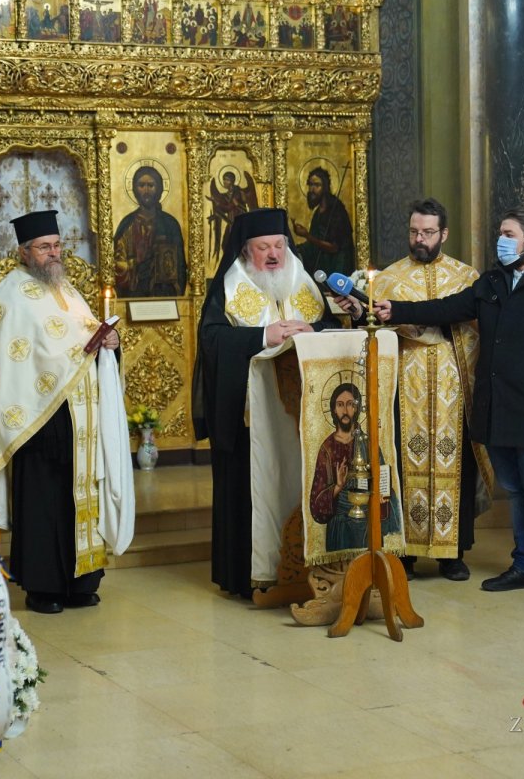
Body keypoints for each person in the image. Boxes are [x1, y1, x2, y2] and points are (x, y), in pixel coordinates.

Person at [375, 207, 524, 599]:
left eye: (508, 234)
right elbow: (446, 308)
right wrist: (396, 310)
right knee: (516, 492)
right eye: (500, 234)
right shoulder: (492, 282)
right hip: (497, 407)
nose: (500, 241)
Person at [0, 210, 125, 615]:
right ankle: (43, 587)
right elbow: (5, 361)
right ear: (24, 252)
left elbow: (86, 336)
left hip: (80, 419)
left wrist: (110, 343)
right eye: (44, 247)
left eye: (57, 246)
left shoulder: (67, 290)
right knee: (42, 502)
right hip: (36, 421)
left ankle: (80, 582)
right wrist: (78, 352)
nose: (53, 253)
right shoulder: (7, 295)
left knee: (79, 497)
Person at [192, 207, 341, 598]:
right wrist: (262, 336)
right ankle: (251, 576)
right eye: (264, 248)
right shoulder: (230, 286)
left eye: (279, 245)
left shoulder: (303, 282)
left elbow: (334, 326)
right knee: (252, 490)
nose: (274, 254)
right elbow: (211, 340)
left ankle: (309, 567)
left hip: (304, 418)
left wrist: (313, 329)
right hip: (250, 421)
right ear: (246, 251)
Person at [368, 198, 493, 581]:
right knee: (404, 464)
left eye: (427, 232)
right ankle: (404, 553)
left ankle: (452, 553)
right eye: (414, 232)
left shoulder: (466, 277)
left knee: (456, 464)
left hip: (455, 387)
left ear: (444, 233)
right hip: (405, 388)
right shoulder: (388, 279)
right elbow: (374, 334)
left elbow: (478, 329)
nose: (419, 239)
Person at [309, 382, 401, 551]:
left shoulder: (368, 443)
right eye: (340, 404)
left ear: (357, 408)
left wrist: (383, 492)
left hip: (368, 521)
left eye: (350, 404)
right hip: (341, 525)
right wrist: (338, 487)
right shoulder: (327, 449)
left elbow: (381, 476)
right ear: (333, 409)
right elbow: (316, 503)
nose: (345, 410)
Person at [113, 165, 188, 296]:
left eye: (151, 185)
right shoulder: (127, 224)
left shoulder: (170, 224)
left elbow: (180, 266)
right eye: (141, 185)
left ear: (159, 189)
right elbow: (117, 264)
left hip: (164, 295)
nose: (146, 190)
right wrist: (134, 266)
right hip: (134, 295)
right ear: (135, 190)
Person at [294, 167, 354, 279]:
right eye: (310, 185)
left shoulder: (336, 210)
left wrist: (306, 235)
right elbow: (314, 243)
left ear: (325, 187)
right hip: (322, 266)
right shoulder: (318, 212)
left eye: (317, 185)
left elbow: (334, 247)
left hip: (336, 267)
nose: (312, 189)